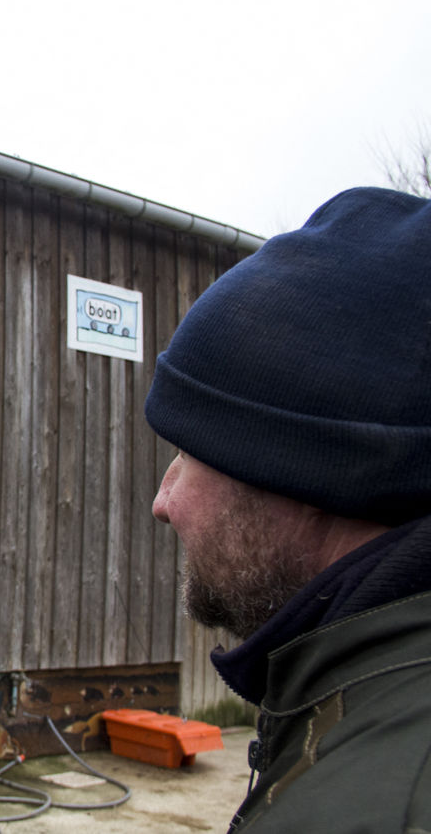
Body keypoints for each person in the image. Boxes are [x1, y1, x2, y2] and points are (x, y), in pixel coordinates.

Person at [145, 187, 431, 833]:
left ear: (299, 467)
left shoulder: (370, 803)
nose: (164, 501)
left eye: (188, 451)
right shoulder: (359, 719)